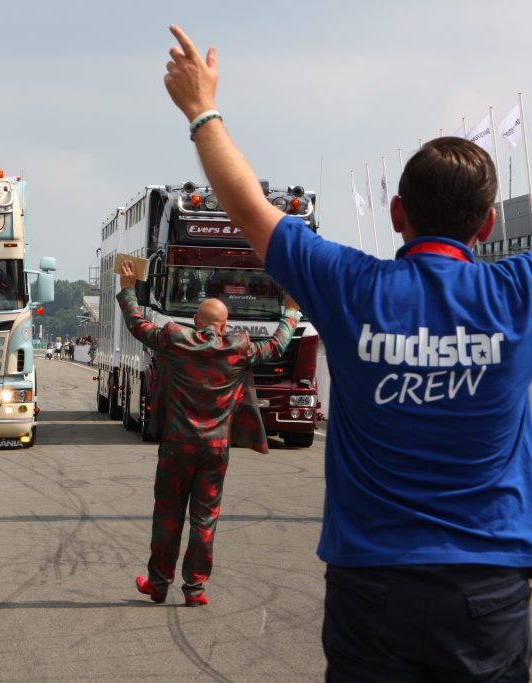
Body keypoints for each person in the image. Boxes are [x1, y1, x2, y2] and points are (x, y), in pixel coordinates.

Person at [164, 24, 532, 680]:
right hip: (488, 583)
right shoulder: (517, 291)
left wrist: (202, 109)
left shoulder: (349, 285)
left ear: (396, 213)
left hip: (372, 584)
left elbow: (248, 205)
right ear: (487, 225)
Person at [118, 259, 301, 605]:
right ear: (224, 325)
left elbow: (137, 325)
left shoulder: (174, 339)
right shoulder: (238, 348)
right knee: (204, 519)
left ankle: (158, 585)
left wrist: (129, 288)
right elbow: (277, 345)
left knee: (168, 517)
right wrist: (290, 312)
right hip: (215, 449)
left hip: (177, 446)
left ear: (196, 322)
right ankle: (195, 590)